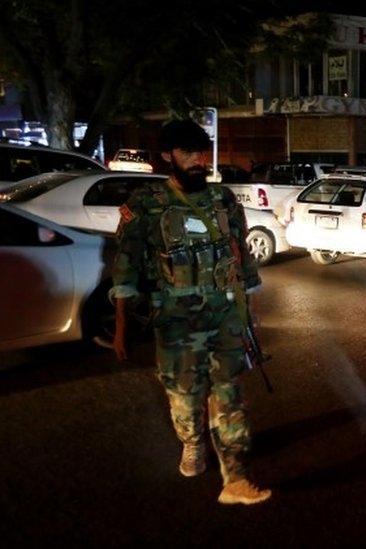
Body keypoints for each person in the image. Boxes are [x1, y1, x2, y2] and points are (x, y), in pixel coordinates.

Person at [111, 119, 271, 505]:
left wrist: (250, 315)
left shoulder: (224, 200)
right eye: (187, 152)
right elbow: (125, 268)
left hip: (227, 315)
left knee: (229, 392)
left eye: (201, 151)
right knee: (184, 394)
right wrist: (121, 328)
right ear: (168, 156)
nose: (198, 159)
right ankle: (193, 443)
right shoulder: (146, 206)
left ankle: (235, 474)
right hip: (177, 320)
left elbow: (242, 259)